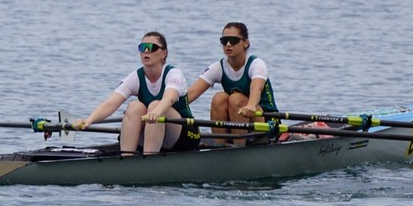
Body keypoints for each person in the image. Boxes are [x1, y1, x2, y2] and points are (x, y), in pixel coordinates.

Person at [73, 31, 201, 156]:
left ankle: (149, 160)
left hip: (185, 136)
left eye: (152, 47)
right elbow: (110, 103)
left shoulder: (173, 74)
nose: (146, 51)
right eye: (142, 47)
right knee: (134, 107)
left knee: (155, 105)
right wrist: (88, 120)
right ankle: (127, 158)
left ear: (164, 54)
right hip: (154, 131)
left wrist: (156, 113)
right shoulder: (136, 77)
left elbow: (170, 98)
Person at [185, 22, 277, 146]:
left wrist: (251, 105)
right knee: (219, 98)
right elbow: (190, 94)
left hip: (266, 120)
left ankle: (238, 147)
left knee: (235, 99)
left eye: (233, 40)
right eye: (224, 40)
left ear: (246, 43)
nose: (228, 44)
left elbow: (256, 88)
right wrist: (163, 108)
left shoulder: (256, 64)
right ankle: (220, 145)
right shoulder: (218, 67)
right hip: (237, 121)